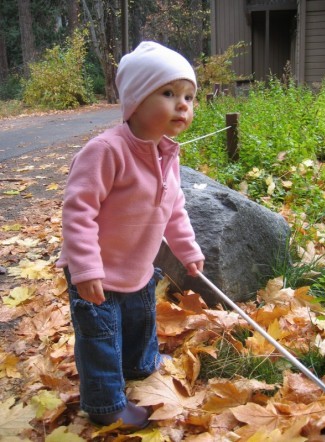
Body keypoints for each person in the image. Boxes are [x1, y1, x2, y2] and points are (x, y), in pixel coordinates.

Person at [56, 41, 205, 428]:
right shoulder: (106, 151)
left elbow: (174, 207)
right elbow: (78, 210)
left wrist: (188, 249)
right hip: (97, 271)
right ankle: (105, 404)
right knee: (101, 338)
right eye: (169, 93)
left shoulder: (166, 154)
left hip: (138, 268)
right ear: (136, 101)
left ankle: (140, 365)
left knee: (140, 322)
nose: (183, 104)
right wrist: (85, 269)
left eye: (189, 96)